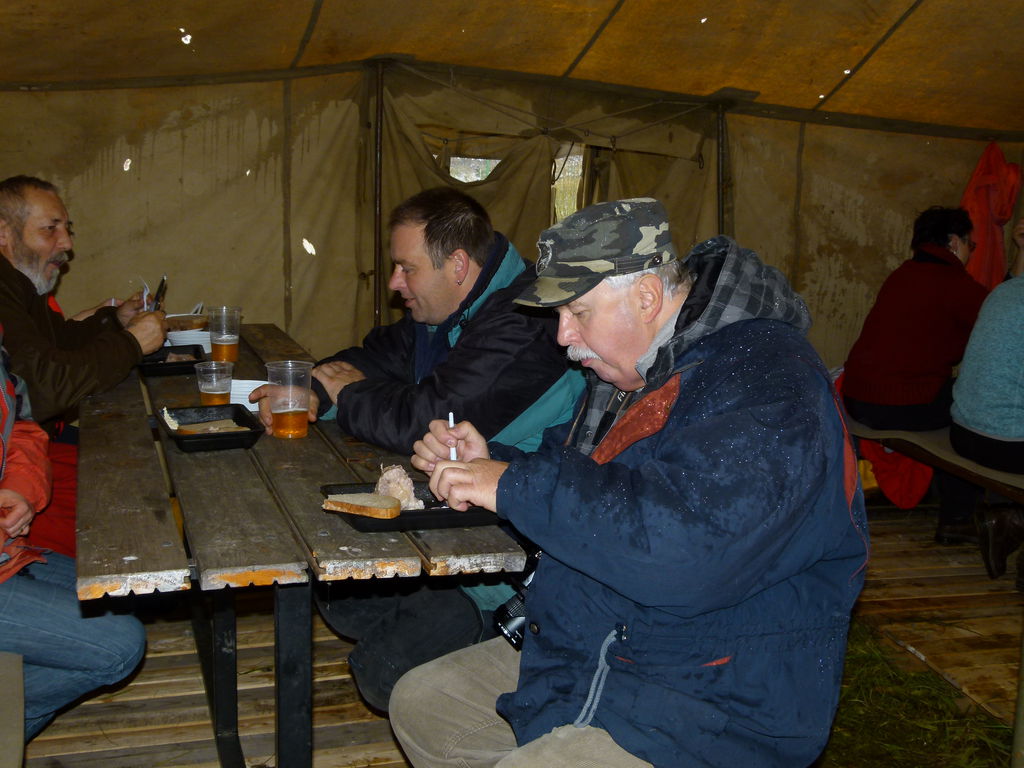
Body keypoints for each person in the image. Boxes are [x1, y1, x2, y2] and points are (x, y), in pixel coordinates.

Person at [392, 198, 869, 768]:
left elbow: (680, 551)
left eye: (577, 312)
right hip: (603, 639)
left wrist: (514, 486)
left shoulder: (767, 385)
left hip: (714, 691)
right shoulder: (640, 362)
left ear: (645, 297)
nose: (563, 336)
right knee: (425, 705)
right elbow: (589, 480)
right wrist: (491, 463)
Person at [252, 186, 584, 712]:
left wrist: (348, 394)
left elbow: (426, 416)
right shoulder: (450, 309)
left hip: (513, 558)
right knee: (340, 597)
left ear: (458, 265)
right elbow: (378, 354)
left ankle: (495, 642)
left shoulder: (527, 322)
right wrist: (315, 387)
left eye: (406, 269)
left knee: (382, 673)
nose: (393, 282)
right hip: (457, 515)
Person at [0, 176, 166, 558]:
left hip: (31, 444)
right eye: (50, 229)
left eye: (67, 229)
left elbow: (56, 343)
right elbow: (40, 387)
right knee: (123, 518)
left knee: (131, 470)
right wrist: (132, 343)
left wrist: (115, 321)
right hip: (16, 461)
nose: (67, 244)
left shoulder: (19, 283)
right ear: (4, 233)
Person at [0, 338, 146, 741]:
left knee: (117, 588)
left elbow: (20, 423)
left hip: (7, 553)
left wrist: (19, 486)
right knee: (120, 645)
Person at [842, 206, 989, 544]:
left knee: (956, 395)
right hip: (895, 404)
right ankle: (957, 518)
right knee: (974, 408)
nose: (970, 253)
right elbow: (995, 319)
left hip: (857, 397)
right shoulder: (954, 283)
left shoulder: (903, 275)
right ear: (954, 242)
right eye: (971, 245)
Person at [950, 217, 1024, 580]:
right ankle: (1014, 523)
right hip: (1003, 445)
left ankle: (1008, 517)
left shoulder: (1003, 291)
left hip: (963, 432)